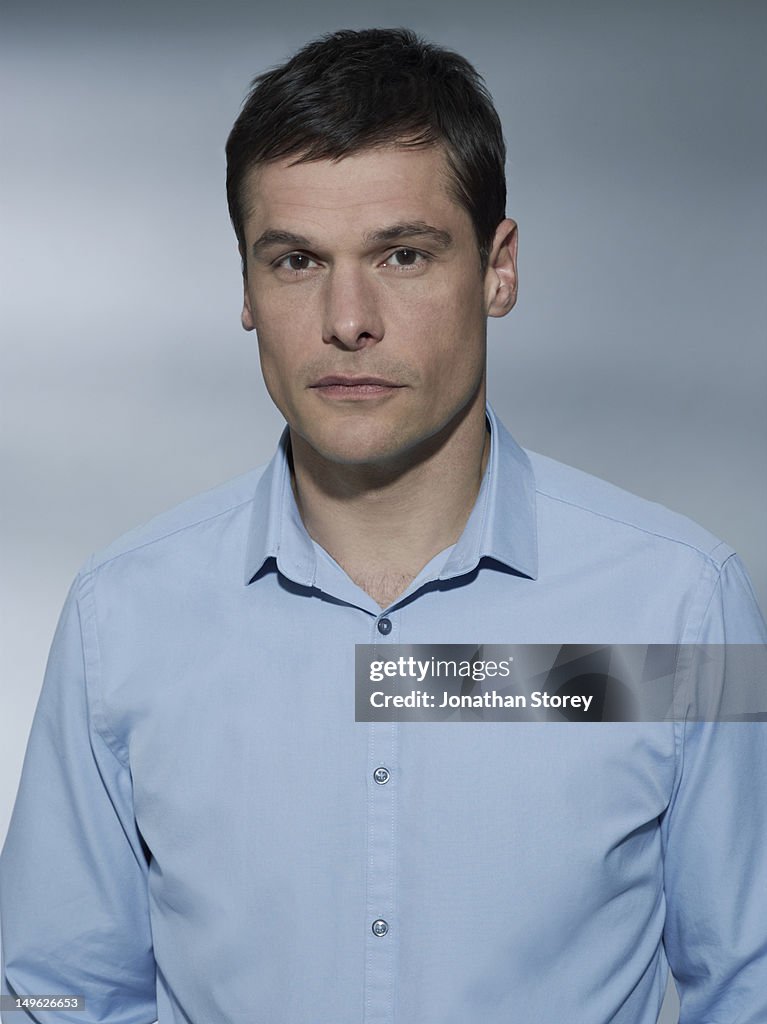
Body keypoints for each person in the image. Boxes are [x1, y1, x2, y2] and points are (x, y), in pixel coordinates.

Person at [1, 26, 765, 1024]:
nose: (346, 317)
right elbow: (53, 991)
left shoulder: (677, 607)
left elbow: (746, 976)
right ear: (242, 285)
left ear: (498, 269)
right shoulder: (124, 618)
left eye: (402, 254)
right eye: (294, 260)